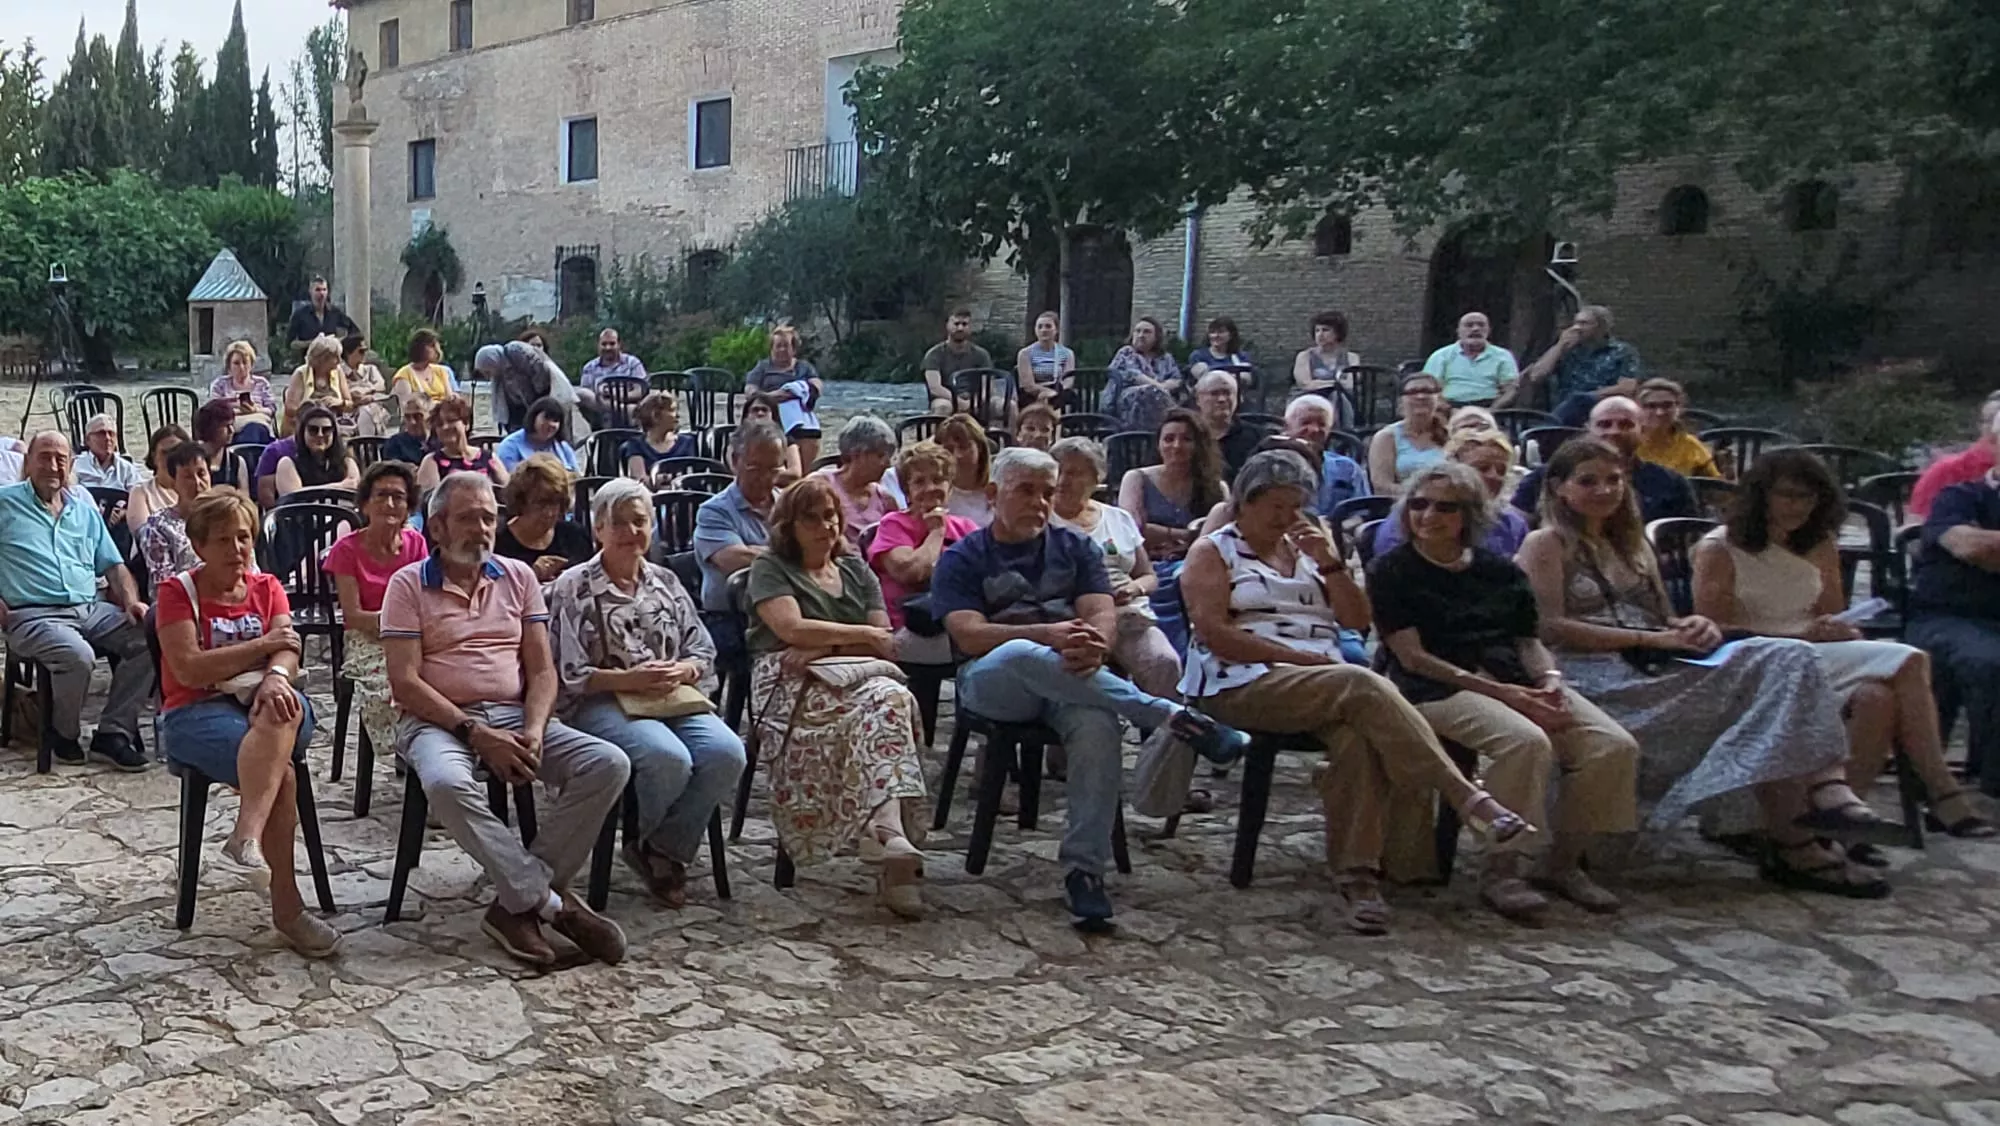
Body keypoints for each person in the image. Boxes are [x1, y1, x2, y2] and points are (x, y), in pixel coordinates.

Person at [1515, 438, 1889, 897]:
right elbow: (1548, 627)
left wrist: (1690, 625)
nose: (1604, 490)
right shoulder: (1545, 543)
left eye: (1614, 480)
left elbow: (1662, 617)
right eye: (1587, 481)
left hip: (1652, 661)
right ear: (1558, 488)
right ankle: (1799, 839)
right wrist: (1650, 638)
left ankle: (1821, 795)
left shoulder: (1630, 543)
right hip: (1592, 673)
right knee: (1775, 678)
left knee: (1788, 659)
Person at [933, 447, 1251, 927]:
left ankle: (1085, 872)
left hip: (1072, 681)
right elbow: (969, 635)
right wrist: (1050, 637)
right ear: (994, 495)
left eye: (1047, 492)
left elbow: (1102, 614)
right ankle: (1167, 714)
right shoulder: (963, 557)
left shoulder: (1077, 548)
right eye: (1026, 491)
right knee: (1022, 654)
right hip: (992, 682)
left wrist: (1094, 646)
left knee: (1099, 724)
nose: (1040, 503)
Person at [1367, 461, 1639, 919]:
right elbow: (1412, 656)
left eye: (1445, 508)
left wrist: (1548, 682)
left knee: (1613, 745)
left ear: (1469, 516)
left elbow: (1528, 641)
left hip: (1513, 678)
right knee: (1524, 741)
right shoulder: (1393, 570)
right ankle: (1503, 867)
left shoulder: (1499, 571)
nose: (1428, 516)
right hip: (1434, 687)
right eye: (1419, 504)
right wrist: (1506, 696)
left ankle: (1563, 862)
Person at [382, 471, 630, 966]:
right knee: (448, 784)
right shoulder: (407, 585)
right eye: (468, 518)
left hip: (517, 713)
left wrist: (535, 729)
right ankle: (549, 904)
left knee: (608, 763)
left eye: (489, 518)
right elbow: (405, 682)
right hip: (437, 721)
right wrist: (475, 733)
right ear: (436, 527)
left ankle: (514, 904)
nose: (482, 529)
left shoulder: (517, 577)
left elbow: (541, 670)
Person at [1694, 449, 1994, 847]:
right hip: (1754, 657)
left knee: (1877, 697)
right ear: (1761, 494)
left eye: (1809, 497)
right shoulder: (1720, 547)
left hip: (1814, 652)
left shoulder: (1818, 543)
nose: (1798, 506)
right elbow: (1716, 628)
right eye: (1788, 495)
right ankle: (1942, 791)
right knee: (1910, 659)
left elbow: (1831, 612)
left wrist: (1836, 629)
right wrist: (1801, 638)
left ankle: (1839, 825)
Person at [155, 488, 335, 956]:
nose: (237, 549)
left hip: (270, 700)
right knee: (285, 775)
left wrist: (276, 676)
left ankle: (246, 836)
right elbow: (190, 669)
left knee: (281, 710)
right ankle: (288, 911)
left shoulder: (267, 586)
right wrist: (263, 648)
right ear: (199, 546)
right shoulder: (178, 593)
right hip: (194, 710)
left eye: (243, 538)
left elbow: (288, 648)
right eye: (223, 540)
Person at [551, 478, 745, 907]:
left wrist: (684, 668)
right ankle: (649, 844)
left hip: (670, 695)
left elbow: (701, 648)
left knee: (727, 752)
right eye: (616, 523)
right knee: (666, 757)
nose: (629, 532)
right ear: (597, 528)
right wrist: (628, 680)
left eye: (638, 522)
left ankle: (660, 847)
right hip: (601, 700)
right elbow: (569, 673)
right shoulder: (574, 586)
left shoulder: (664, 581)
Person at [746, 475, 929, 917]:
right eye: (812, 518)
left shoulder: (854, 569)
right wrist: (857, 635)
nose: (826, 527)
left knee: (888, 698)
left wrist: (826, 644)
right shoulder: (771, 567)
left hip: (854, 674)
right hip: (789, 681)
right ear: (789, 525)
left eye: (830, 516)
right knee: (891, 701)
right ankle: (890, 844)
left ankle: (885, 833)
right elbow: (790, 629)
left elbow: (883, 639)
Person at [0, 432, 153, 769]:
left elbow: (114, 566)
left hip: (90, 608)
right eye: (44, 456)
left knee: (153, 635)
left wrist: (131, 603)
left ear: (71, 464)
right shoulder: (4, 502)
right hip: (32, 615)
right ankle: (63, 734)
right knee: (78, 655)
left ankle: (112, 732)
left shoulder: (83, 512)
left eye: (61, 458)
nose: (53, 466)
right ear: (27, 462)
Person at [1048, 437, 1180, 698]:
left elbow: (1148, 575)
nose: (1063, 480)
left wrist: (1134, 588)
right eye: (1058, 470)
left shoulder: (1118, 518)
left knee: (1165, 664)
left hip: (1129, 615)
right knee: (1078, 677)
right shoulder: (1043, 519)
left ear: (1096, 479)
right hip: (1074, 618)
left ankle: (1165, 735)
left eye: (1074, 473)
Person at [1908, 423, 2000, 794]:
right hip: (1951, 616)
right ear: (1994, 445)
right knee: (1990, 662)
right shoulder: (1958, 496)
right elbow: (1972, 548)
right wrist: (1985, 546)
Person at [323, 460, 429, 769]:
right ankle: (409, 751)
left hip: (411, 634)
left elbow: (423, 600)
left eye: (398, 496)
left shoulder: (416, 544)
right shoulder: (346, 549)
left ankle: (430, 750)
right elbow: (353, 616)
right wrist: (396, 623)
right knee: (392, 684)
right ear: (365, 503)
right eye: (381, 495)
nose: (390, 503)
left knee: (442, 676)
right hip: (367, 637)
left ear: (409, 505)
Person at [1118, 409, 1226, 654]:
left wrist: (1175, 538)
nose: (1176, 446)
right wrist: (1186, 535)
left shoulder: (1216, 488)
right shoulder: (1136, 479)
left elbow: (1221, 535)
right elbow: (1133, 529)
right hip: (1147, 567)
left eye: (1186, 439)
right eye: (1169, 439)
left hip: (1193, 569)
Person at [866, 440, 981, 664]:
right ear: (907, 491)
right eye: (920, 482)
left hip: (958, 623)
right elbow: (910, 572)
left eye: (938, 480)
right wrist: (937, 531)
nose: (930, 488)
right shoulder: (894, 524)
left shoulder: (966, 527)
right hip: (910, 626)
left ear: (950, 486)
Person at [1512, 396, 1699, 525]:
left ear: (1642, 431)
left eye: (1625, 424)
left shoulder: (1671, 483)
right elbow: (1514, 528)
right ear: (1587, 430)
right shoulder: (1546, 477)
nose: (1614, 431)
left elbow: (1689, 542)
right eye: (1604, 424)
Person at [693, 421, 784, 673]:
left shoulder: (787, 505)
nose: (765, 478)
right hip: (731, 616)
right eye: (755, 468)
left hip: (787, 608)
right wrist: (794, 554)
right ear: (735, 460)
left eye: (773, 469)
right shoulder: (714, 510)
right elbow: (732, 558)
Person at [1373, 430, 1530, 558]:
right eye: (1482, 468)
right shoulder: (1414, 514)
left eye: (1501, 471)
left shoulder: (1512, 523)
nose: (1494, 476)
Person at [1521, 304, 1643, 427]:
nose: (1577, 328)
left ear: (1602, 327)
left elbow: (1627, 387)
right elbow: (1536, 376)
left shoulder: (1622, 351)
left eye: (1584, 323)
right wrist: (1560, 345)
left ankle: (1546, 430)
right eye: (1575, 323)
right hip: (1565, 411)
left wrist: (1589, 396)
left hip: (1602, 408)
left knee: (1578, 399)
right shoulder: (1567, 351)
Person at [497, 454, 594, 583]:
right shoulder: (498, 544)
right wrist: (530, 574)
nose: (549, 513)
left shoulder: (575, 536)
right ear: (522, 501)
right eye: (541, 503)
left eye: (555, 503)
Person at [1911, 390, 2000, 520]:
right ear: (1980, 426)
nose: (1995, 426)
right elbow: (1917, 530)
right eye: (1992, 419)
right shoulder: (1946, 471)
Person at [743, 326, 825, 468]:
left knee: (809, 434)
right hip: (771, 412)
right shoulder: (763, 367)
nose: (781, 349)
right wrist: (772, 397)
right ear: (771, 348)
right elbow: (750, 391)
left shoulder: (803, 367)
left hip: (799, 416)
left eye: (786, 346)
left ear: (793, 349)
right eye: (778, 346)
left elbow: (816, 386)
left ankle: (802, 473)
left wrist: (798, 391)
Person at [138, 442, 212, 596]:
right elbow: (165, 583)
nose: (197, 483)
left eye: (202, 474)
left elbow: (250, 569)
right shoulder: (158, 526)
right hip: (179, 603)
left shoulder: (227, 517)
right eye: (187, 476)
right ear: (173, 482)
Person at [815, 416, 898, 546]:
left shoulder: (886, 499)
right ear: (857, 454)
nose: (887, 464)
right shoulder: (821, 484)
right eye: (881, 456)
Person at [1281, 395, 1370, 518]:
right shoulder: (1272, 468)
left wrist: (1333, 527)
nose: (1314, 429)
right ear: (1286, 427)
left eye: (1322, 424)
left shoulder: (1348, 468)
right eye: (1305, 422)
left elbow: (1362, 514)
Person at [1366, 371, 1449, 496]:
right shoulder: (1386, 437)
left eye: (1427, 391)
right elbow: (1381, 486)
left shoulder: (1451, 434)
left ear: (1439, 398)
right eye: (1412, 392)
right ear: (1401, 400)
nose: (1420, 396)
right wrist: (1423, 496)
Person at [476, 340, 577, 435]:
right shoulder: (501, 373)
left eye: (487, 371)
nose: (488, 376)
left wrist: (540, 402)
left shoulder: (514, 351)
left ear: (491, 360)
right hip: (523, 409)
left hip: (545, 398)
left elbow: (539, 371)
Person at [1425, 311, 1521, 408]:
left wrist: (1491, 411)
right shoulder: (1440, 355)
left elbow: (1510, 391)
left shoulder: (1503, 356)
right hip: (1450, 407)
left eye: (1481, 325)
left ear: (1488, 330)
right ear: (1458, 331)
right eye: (1469, 325)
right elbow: (1430, 389)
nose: (1476, 329)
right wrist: (1448, 410)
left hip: (1490, 407)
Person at [1104, 317, 1183, 434]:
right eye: (1137, 331)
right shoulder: (1126, 352)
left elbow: (1176, 379)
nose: (1141, 335)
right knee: (1149, 392)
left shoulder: (1165, 357)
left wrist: (1162, 388)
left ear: (1157, 337)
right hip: (1125, 401)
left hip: (1159, 402)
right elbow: (1134, 376)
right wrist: (1159, 388)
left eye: (1147, 332)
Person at [417, 395, 509, 492]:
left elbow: (509, 492)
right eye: (439, 424)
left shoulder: (488, 458)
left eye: (451, 420)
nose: (445, 427)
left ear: (466, 424)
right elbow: (428, 502)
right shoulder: (432, 462)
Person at [1634, 378, 1722, 478]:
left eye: (1667, 405)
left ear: (1679, 408)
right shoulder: (1628, 443)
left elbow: (1716, 486)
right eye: (1651, 406)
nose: (1659, 412)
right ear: (1638, 409)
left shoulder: (1690, 446)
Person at [273, 406, 360, 500]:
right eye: (313, 430)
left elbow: (353, 486)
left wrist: (309, 491)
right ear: (303, 433)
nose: (320, 434)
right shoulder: (287, 463)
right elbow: (295, 497)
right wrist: (341, 486)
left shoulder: (346, 461)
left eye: (326, 430)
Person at [922, 309, 996, 418]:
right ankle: (938, 435)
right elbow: (935, 388)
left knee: (1007, 405)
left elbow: (988, 386)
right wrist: (959, 402)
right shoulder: (934, 354)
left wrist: (976, 401)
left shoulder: (982, 354)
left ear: (970, 327)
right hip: (947, 398)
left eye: (964, 324)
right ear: (947, 325)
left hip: (976, 399)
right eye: (956, 324)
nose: (960, 328)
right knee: (942, 407)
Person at [1292, 310, 1362, 419]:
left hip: (1342, 401)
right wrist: (1336, 384)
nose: (1320, 335)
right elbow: (1306, 384)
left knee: (1337, 397)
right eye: (1317, 330)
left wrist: (1322, 383)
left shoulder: (1352, 358)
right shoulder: (1304, 356)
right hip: (1310, 400)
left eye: (1325, 330)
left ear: (1337, 333)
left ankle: (1342, 432)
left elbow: (1350, 384)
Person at [576, 327, 649, 428]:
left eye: (612, 344)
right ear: (598, 345)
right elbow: (587, 395)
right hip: (602, 413)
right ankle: (622, 410)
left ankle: (621, 411)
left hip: (628, 410)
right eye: (604, 344)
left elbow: (641, 390)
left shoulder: (632, 363)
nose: (608, 348)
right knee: (580, 393)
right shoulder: (589, 367)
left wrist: (616, 395)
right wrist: (610, 402)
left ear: (619, 344)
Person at [1194, 370, 1262, 480]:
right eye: (1214, 393)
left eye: (1227, 393)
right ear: (1198, 399)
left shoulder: (1258, 438)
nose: (1221, 399)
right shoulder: (1185, 436)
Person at [210, 340, 278, 443]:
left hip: (258, 423)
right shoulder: (220, 385)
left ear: (251, 364)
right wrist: (239, 410)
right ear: (229, 366)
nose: (241, 367)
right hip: (231, 427)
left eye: (245, 362)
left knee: (254, 430)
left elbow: (271, 409)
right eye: (236, 363)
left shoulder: (262, 383)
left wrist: (254, 409)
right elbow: (214, 410)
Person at [283, 334, 352, 435]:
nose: (339, 361)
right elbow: (290, 408)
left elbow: (350, 405)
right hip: (303, 425)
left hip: (333, 424)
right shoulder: (301, 373)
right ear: (322, 358)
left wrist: (340, 403)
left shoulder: (338, 372)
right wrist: (314, 407)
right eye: (335, 357)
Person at [127, 425, 190, 533]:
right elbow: (141, 533)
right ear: (154, 456)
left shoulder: (197, 487)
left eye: (177, 451)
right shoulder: (141, 492)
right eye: (165, 453)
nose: (171, 457)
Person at [623, 392, 699, 482]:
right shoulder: (636, 445)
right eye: (671, 410)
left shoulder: (687, 442)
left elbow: (691, 479)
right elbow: (640, 480)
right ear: (655, 416)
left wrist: (659, 480)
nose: (677, 415)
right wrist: (670, 480)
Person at [936, 413, 996, 524]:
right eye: (949, 449)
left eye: (964, 447)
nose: (957, 455)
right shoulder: (937, 493)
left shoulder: (998, 487)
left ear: (980, 448)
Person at [496, 396, 579, 473]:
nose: (551, 424)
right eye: (546, 418)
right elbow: (506, 479)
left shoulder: (563, 447)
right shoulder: (510, 446)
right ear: (534, 417)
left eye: (555, 420)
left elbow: (577, 476)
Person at [286, 276, 358, 362]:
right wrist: (313, 343)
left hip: (332, 363)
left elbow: (354, 330)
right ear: (310, 291)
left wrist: (337, 341)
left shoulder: (334, 312)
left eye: (324, 290)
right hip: (309, 362)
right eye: (318, 290)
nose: (321, 293)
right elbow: (290, 343)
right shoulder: (300, 314)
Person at [1015, 311, 1075, 412]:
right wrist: (1045, 392)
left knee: (1068, 397)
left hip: (1058, 391)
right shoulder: (1025, 353)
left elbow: (1069, 380)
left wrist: (1055, 393)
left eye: (1048, 326)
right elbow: (1027, 384)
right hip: (1033, 392)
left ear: (1056, 330)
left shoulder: (1067, 353)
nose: (1044, 330)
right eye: (1040, 327)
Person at [389, 328, 459, 414]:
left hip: (443, 419)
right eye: (432, 346)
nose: (437, 350)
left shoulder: (441, 371)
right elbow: (406, 408)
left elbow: (449, 398)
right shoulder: (404, 375)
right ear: (419, 348)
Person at [739, 392, 805, 478]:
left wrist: (765, 477)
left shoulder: (787, 440)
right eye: (755, 410)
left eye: (764, 410)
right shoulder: (737, 440)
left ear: (773, 414)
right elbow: (735, 470)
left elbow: (795, 473)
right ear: (747, 415)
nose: (760, 413)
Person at [74, 413, 145, 491]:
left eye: (111, 434)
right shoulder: (76, 466)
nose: (108, 438)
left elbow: (141, 495)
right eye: (101, 433)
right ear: (87, 439)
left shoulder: (126, 469)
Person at [193, 400, 248, 494]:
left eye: (232, 425)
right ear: (211, 428)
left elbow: (245, 499)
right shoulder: (191, 459)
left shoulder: (237, 462)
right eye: (226, 426)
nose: (232, 430)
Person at [341, 334, 391, 437]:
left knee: (368, 412)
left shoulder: (370, 369)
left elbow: (381, 385)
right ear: (348, 353)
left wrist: (366, 391)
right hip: (349, 412)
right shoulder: (339, 372)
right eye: (361, 351)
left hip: (372, 408)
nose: (364, 354)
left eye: (365, 351)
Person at [1187, 316, 1254, 385]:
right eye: (1212, 332)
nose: (1216, 335)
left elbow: (1246, 380)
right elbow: (1203, 380)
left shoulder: (1241, 356)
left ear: (1231, 335)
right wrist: (1233, 376)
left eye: (1221, 332)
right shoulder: (1198, 356)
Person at [383, 396, 431, 466]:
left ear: (430, 417)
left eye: (418, 416)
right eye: (407, 417)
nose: (412, 422)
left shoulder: (440, 442)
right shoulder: (395, 443)